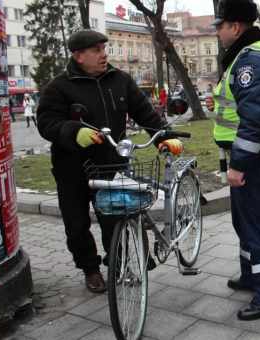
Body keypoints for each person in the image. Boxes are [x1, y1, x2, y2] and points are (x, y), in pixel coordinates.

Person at [36, 29, 183, 294]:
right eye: (97, 50)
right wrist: (72, 130)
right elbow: (46, 123)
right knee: (77, 225)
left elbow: (146, 113)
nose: (104, 55)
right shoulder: (59, 86)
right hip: (73, 170)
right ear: (79, 56)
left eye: (105, 48)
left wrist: (165, 137)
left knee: (114, 220)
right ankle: (90, 269)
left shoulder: (120, 80)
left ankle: (117, 260)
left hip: (112, 166)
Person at [206, 0, 260, 321]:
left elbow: (255, 120)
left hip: (257, 160)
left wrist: (239, 165)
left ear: (235, 27)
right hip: (251, 156)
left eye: (220, 25)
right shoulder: (245, 56)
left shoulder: (251, 62)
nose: (217, 31)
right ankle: (252, 275)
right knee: (245, 223)